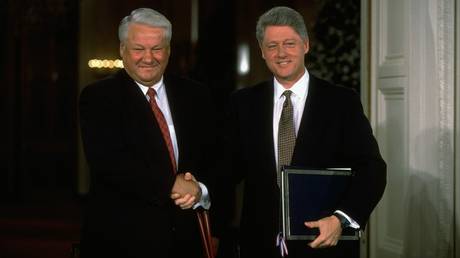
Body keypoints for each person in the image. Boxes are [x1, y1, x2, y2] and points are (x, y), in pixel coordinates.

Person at [226, 6, 386, 258]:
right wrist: (197, 187)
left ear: (306, 45)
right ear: (262, 52)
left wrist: (340, 219)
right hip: (259, 245)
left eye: (289, 43)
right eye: (272, 46)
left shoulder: (341, 102)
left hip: (323, 243)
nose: (281, 53)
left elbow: (373, 169)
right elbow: (227, 168)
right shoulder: (243, 103)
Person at [79, 8, 218, 258]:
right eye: (138, 48)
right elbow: (109, 163)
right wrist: (170, 183)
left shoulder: (196, 95)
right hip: (122, 242)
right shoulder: (98, 97)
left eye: (157, 48)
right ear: (122, 50)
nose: (148, 57)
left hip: (186, 242)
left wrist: (201, 191)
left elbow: (215, 158)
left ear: (169, 50)